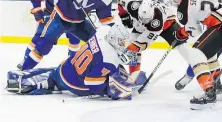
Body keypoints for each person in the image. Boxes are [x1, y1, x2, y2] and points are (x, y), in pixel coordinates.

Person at [18, 0, 114, 71]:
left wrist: (112, 35)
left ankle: (86, 69)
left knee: (97, 43)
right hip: (59, 18)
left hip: (79, 23)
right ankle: (24, 69)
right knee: (43, 45)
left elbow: (107, 21)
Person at [6, 25, 147, 100]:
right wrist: (109, 91)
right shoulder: (109, 60)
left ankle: (37, 79)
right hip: (75, 83)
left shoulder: (103, 31)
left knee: (54, 75)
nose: (124, 44)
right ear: (114, 39)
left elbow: (96, 50)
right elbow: (92, 83)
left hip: (67, 65)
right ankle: (42, 84)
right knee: (110, 77)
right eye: (122, 42)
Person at [117, 0, 192, 75]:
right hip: (141, 26)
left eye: (147, 19)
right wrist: (124, 16)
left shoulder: (157, 23)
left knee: (181, 45)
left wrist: (126, 52)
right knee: (132, 44)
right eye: (143, 19)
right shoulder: (133, 4)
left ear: (152, 14)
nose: (145, 21)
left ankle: (195, 66)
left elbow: (141, 44)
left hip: (167, 24)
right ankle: (134, 75)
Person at [17, 0, 81, 70]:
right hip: (50, 15)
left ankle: (73, 63)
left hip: (68, 16)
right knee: (38, 38)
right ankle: (26, 60)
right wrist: (37, 10)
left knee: (75, 38)